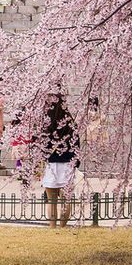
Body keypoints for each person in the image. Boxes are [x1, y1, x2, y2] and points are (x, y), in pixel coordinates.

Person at [41, 94, 79, 227]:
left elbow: (42, 145)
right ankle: (62, 227)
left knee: (51, 200)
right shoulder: (70, 122)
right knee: (66, 199)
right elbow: (76, 145)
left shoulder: (46, 122)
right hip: (68, 164)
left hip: (52, 164)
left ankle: (52, 226)